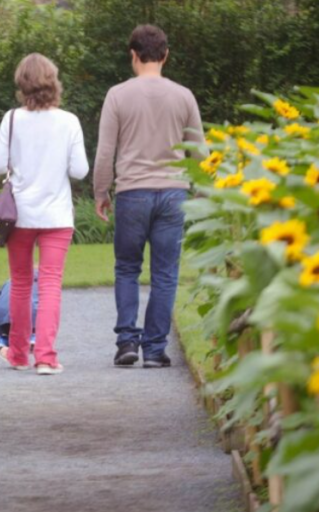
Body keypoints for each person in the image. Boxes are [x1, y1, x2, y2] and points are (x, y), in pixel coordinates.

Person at [93, 25, 204, 368]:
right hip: (174, 195)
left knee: (127, 268)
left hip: (132, 193)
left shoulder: (117, 95)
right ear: (165, 55)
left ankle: (127, 342)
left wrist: (101, 192)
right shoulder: (184, 96)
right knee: (165, 273)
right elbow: (200, 153)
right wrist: (202, 191)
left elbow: (104, 152)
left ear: (133, 55)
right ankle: (155, 350)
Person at [0, 53, 89, 375]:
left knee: (20, 284)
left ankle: (18, 355)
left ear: (22, 83)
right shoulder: (69, 121)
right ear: (53, 81)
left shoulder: (12, 119)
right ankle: (46, 358)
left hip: (19, 215)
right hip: (57, 216)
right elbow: (79, 171)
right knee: (50, 285)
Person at [0, 274, 39, 354]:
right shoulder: (41, 283)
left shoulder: (9, 280)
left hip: (2, 317)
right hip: (25, 315)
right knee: (41, 310)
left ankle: (3, 337)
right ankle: (33, 334)